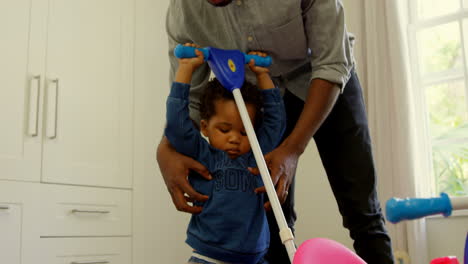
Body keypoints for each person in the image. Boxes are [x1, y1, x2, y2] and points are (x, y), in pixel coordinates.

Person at [157, 1, 395, 263]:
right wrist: (166, 148)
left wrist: (293, 148)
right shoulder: (183, 12)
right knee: (273, 217)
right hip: (261, 94)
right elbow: (192, 98)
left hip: (325, 80)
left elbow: (331, 63)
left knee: (363, 210)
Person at [165, 44, 286, 264]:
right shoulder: (203, 155)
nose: (234, 138)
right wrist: (185, 69)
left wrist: (263, 75)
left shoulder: (256, 156)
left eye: (244, 131)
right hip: (209, 257)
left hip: (256, 258)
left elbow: (276, 122)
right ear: (204, 127)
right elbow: (177, 123)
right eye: (224, 129)